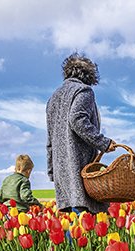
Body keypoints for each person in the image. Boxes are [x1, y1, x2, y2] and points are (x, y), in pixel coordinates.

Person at [46, 53, 115, 216]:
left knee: (72, 218)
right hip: (79, 164)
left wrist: (52, 170)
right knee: (85, 216)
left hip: (61, 168)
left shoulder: (53, 98)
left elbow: (50, 139)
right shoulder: (83, 91)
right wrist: (103, 142)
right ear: (88, 75)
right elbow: (77, 119)